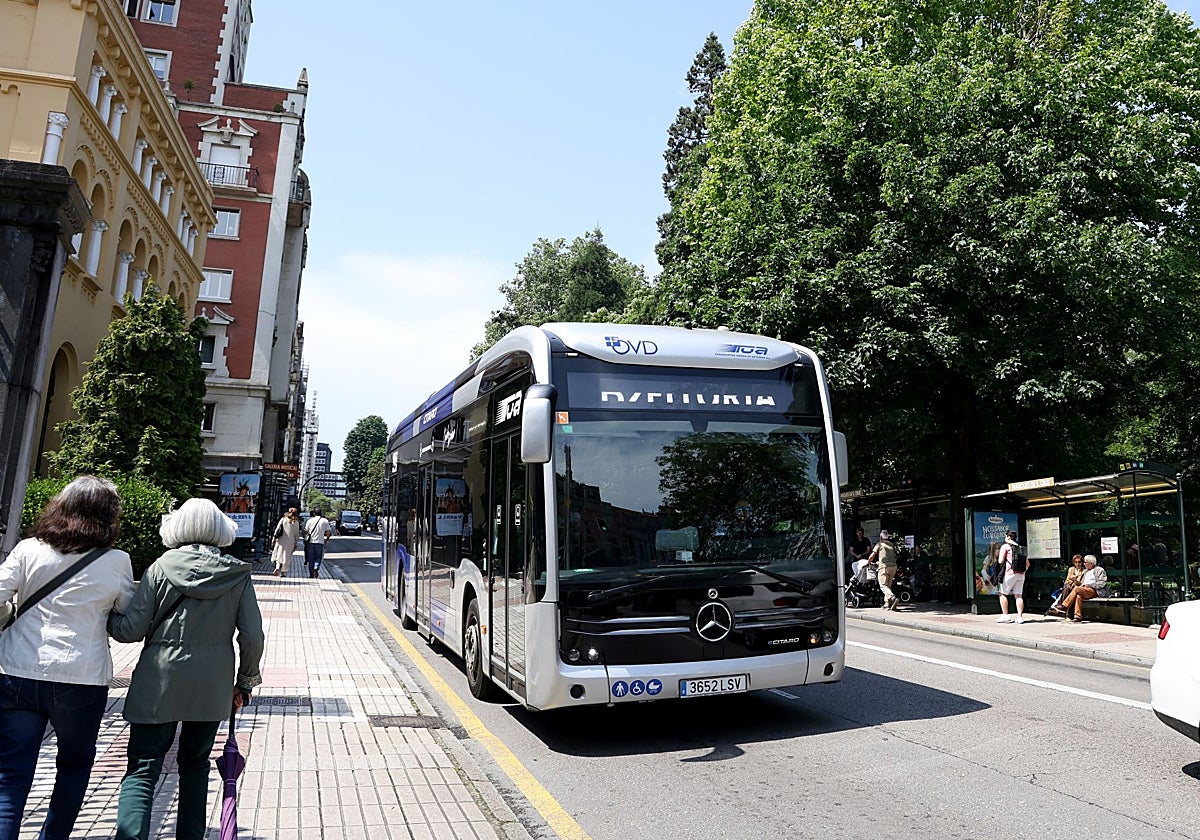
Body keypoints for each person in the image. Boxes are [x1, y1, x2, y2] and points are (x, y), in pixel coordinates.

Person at [107, 498, 264, 840]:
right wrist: (245, 683)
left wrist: (105, 617)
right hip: (211, 685)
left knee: (142, 768)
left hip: (158, 680)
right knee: (195, 765)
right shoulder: (237, 575)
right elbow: (252, 635)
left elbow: (131, 630)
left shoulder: (160, 568)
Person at [0, 476, 134, 840]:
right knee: (74, 765)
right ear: (108, 516)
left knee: (10, 774)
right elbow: (126, 615)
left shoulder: (29, 549)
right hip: (81, 676)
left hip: (17, 670)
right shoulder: (117, 561)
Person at [1051, 554, 1108, 621]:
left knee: (1077, 589)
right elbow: (1082, 583)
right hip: (1085, 590)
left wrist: (1090, 585)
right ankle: (1077, 616)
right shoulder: (1086, 572)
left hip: (1095, 590)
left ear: (1091, 563)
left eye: (1085, 562)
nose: (1084, 564)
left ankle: (1064, 606)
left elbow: (1102, 583)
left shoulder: (1099, 570)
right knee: (1078, 596)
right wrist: (1080, 584)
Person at [995, 530, 1030, 624]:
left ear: (1009, 537)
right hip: (1021, 575)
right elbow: (1027, 564)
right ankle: (1019, 617)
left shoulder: (1005, 546)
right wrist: (1023, 572)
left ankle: (1005, 615)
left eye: (1006, 536)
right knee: (1018, 596)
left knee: (1002, 593)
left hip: (1009, 573)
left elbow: (1000, 561)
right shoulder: (1021, 548)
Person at [866, 530, 900, 610]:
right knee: (888, 586)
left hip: (884, 567)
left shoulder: (879, 544)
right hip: (893, 567)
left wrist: (868, 562)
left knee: (883, 585)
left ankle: (892, 597)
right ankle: (887, 604)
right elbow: (895, 556)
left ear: (880, 537)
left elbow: (873, 555)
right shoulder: (891, 544)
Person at [303, 507, 333, 578]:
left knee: (311, 559)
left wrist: (306, 536)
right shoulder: (325, 521)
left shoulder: (310, 520)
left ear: (314, 513)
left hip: (310, 542)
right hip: (320, 542)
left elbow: (305, 531)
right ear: (321, 513)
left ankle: (311, 574)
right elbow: (329, 531)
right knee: (318, 557)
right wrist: (327, 539)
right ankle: (316, 567)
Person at [270, 507, 300, 577]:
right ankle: (283, 572)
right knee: (286, 557)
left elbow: (277, 529)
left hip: (281, 540)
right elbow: (296, 534)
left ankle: (277, 567)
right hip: (290, 542)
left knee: (279, 554)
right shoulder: (296, 522)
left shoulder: (283, 519)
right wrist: (296, 543)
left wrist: (274, 537)